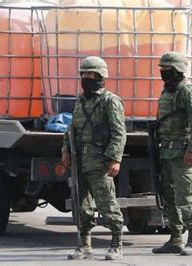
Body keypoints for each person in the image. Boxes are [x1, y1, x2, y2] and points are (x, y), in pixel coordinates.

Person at [61, 56, 126, 260]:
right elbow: (72, 128)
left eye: (90, 74)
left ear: (100, 76)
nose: (86, 77)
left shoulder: (110, 101)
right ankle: (84, 245)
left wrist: (115, 159)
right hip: (80, 161)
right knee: (81, 205)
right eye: (84, 74)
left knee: (107, 204)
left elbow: (119, 132)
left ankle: (116, 244)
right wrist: (65, 149)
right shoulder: (80, 102)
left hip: (100, 162)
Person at [152, 51, 192, 256]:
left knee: (185, 196)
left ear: (177, 70)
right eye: (162, 69)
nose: (163, 73)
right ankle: (175, 238)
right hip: (165, 152)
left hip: (182, 153)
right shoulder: (167, 91)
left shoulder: (186, 91)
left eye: (167, 70)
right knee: (169, 197)